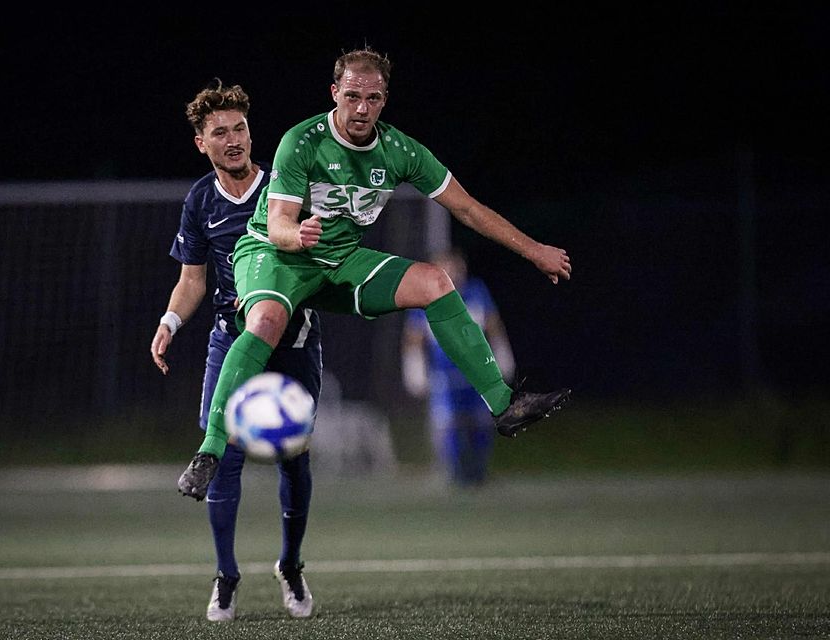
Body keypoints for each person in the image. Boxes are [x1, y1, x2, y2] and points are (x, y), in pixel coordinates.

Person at [179, 46, 572, 507]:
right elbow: (280, 223)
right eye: (352, 96)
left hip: (342, 259)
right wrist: (297, 236)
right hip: (275, 253)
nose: (361, 107)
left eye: (372, 98)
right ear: (335, 93)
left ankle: (504, 406)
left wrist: (535, 250)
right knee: (266, 321)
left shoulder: (401, 151)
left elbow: (467, 208)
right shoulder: (302, 141)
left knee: (436, 282)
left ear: (384, 100)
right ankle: (209, 453)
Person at [153, 80, 318, 622]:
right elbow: (192, 279)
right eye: (219, 132)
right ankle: (226, 576)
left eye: (240, 128)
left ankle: (290, 566)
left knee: (293, 453)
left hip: (293, 340)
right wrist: (171, 321)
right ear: (202, 142)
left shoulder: (287, 187)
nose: (233, 139)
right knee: (219, 455)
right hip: (231, 340)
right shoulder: (201, 199)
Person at [402, 247, 516, 486]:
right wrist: (414, 366)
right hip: (445, 374)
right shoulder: (424, 296)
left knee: (482, 421)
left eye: (454, 266)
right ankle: (455, 473)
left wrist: (503, 353)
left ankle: (479, 471)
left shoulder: (476, 291)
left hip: (478, 372)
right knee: (448, 424)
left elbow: (493, 324)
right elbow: (414, 335)